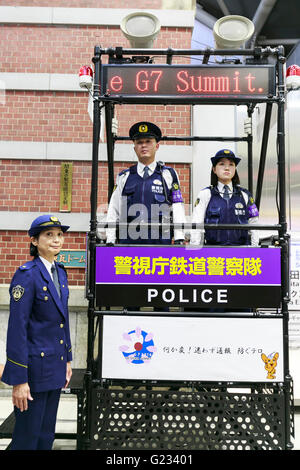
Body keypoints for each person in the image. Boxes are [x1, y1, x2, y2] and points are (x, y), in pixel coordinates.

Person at [1, 215, 72, 450]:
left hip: (55, 367)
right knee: (26, 440)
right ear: (34, 240)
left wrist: (68, 360)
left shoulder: (60, 273)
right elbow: (17, 329)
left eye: (59, 235)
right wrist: (19, 380)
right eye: (49, 235)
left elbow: (63, 321)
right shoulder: (27, 274)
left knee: (45, 437)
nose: (56, 240)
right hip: (33, 372)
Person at [106, 121, 186, 245]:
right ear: (134, 147)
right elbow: (114, 209)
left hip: (160, 242)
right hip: (129, 243)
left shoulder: (168, 174)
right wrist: (110, 239)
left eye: (148, 141)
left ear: (157, 146)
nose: (144, 145)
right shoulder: (124, 176)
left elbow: (177, 207)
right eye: (139, 142)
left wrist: (179, 237)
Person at [190, 149, 259, 246]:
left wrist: (254, 249)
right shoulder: (205, 194)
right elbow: (197, 223)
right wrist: (195, 249)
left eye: (231, 165)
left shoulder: (245, 195)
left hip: (241, 251)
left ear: (235, 169)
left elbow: (254, 223)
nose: (227, 168)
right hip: (214, 252)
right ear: (214, 169)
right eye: (222, 164)